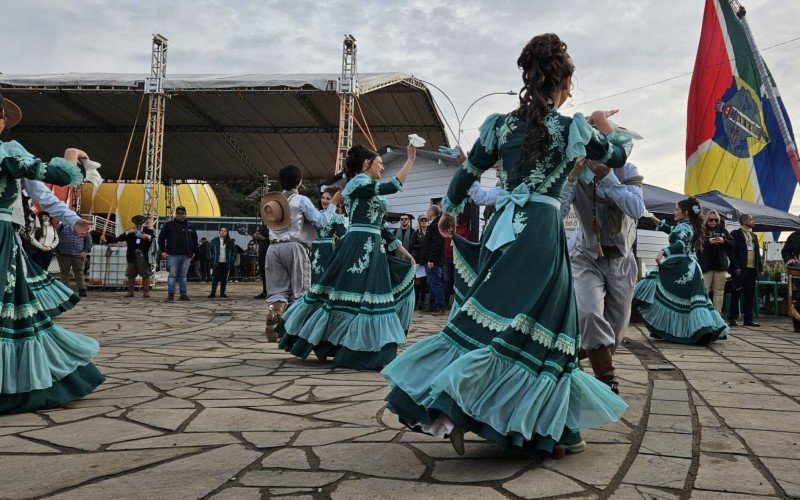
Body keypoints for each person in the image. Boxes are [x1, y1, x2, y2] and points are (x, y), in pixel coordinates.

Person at [382, 34, 628, 456]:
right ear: (564, 80)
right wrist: (602, 122)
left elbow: (466, 174)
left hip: (503, 230)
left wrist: (449, 213)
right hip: (541, 235)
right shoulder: (571, 129)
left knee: (492, 317)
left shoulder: (499, 125)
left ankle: (475, 411)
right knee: (544, 328)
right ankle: (486, 412)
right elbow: (617, 156)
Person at [0, 93, 105, 414]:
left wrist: (73, 219)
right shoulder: (7, 152)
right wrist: (71, 155)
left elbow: (42, 194)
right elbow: (59, 176)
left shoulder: (9, 156)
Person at [277, 144, 417, 369]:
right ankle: (351, 350)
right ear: (367, 163)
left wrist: (403, 250)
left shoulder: (369, 188)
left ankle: (360, 349)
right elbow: (393, 186)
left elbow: (381, 226)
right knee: (349, 295)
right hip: (358, 246)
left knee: (365, 297)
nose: (382, 168)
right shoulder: (356, 183)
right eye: (380, 164)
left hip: (374, 248)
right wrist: (409, 161)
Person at [559, 154, 643, 394]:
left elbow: (636, 209)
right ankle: (607, 382)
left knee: (614, 333)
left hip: (621, 260)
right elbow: (558, 212)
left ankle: (567, 357)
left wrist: (608, 178)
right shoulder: (574, 171)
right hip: (585, 256)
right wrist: (572, 177)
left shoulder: (626, 170)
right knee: (588, 313)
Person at [633, 198, 729, 344]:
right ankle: (693, 329)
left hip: (682, 266)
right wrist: (655, 219)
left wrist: (663, 251)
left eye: (677, 210)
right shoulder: (687, 225)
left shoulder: (684, 227)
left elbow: (680, 243)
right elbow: (673, 232)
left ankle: (678, 330)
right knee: (688, 301)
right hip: (690, 267)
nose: (674, 212)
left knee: (659, 288)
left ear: (685, 213)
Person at [262, 164, 341, 339]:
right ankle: (294, 330)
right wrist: (333, 204)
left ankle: (274, 316)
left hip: (273, 248)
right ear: (299, 182)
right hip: (295, 246)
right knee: (300, 291)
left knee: (277, 291)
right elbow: (321, 222)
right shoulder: (301, 200)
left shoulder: (272, 202)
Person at [158, 206, 199, 301]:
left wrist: (193, 252)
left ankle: (183, 294)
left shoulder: (190, 226)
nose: (180, 214)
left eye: (182, 213)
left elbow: (195, 240)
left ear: (185, 214)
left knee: (183, 275)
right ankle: (171, 294)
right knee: (172, 275)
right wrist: (163, 251)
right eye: (178, 213)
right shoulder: (169, 225)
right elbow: (161, 238)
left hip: (186, 255)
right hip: (173, 255)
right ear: (175, 214)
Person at [729, 214, 762, 327]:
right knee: (736, 293)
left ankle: (749, 319)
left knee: (750, 294)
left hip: (752, 269)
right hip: (740, 269)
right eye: (751, 219)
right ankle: (732, 318)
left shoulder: (754, 235)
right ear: (744, 221)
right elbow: (732, 252)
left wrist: (760, 268)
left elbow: (757, 253)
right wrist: (736, 266)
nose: (753, 221)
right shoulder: (735, 234)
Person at [698, 211, 734, 314]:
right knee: (704, 291)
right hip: (706, 265)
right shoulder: (701, 231)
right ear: (706, 220)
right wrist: (708, 241)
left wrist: (724, 241)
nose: (713, 222)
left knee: (719, 292)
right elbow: (695, 244)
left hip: (720, 265)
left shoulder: (723, 230)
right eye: (711, 219)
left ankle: (717, 315)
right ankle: (704, 315)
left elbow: (732, 243)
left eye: (716, 220)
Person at [310, 186, 348, 285]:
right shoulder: (316, 214)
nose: (324, 201)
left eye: (328, 198)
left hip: (328, 250)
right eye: (323, 198)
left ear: (334, 201)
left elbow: (343, 236)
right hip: (313, 249)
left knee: (326, 278)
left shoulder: (337, 217)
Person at [119, 215, 155, 298]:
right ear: (135, 224)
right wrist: (128, 232)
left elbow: (154, 239)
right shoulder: (130, 231)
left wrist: (147, 236)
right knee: (130, 274)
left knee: (145, 274)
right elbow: (119, 238)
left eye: (140, 224)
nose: (138, 225)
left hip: (143, 255)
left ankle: (146, 292)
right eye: (137, 224)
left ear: (142, 224)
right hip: (132, 255)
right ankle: (130, 292)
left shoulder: (148, 231)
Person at [420, 204, 446, 314]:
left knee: (435, 284)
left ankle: (439, 306)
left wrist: (431, 260)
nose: (427, 213)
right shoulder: (434, 225)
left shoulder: (436, 225)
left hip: (433, 261)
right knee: (431, 284)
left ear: (433, 213)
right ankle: (432, 305)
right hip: (430, 260)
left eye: (428, 211)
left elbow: (436, 244)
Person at [56, 220, 93, 297]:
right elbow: (55, 237)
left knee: (79, 272)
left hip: (79, 254)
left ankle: (82, 289)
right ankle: (64, 290)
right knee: (64, 273)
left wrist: (85, 252)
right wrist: (57, 251)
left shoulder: (83, 227)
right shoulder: (60, 226)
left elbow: (88, 240)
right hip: (63, 254)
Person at [207, 227, 236, 298]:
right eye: (221, 230)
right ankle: (212, 293)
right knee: (215, 278)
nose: (223, 232)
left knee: (224, 279)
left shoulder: (230, 242)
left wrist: (232, 260)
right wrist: (211, 258)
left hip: (226, 263)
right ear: (219, 232)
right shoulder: (214, 241)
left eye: (225, 231)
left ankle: (222, 293)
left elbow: (233, 252)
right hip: (217, 262)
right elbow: (209, 250)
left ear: (227, 232)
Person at [781, 229, 800, 332]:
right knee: (796, 297)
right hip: (797, 271)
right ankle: (798, 325)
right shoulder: (794, 236)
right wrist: (789, 259)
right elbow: (785, 251)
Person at [411, 214, 429, 310]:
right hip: (418, 260)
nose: (424, 222)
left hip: (426, 260)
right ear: (419, 222)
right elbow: (412, 245)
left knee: (424, 282)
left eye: (425, 220)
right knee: (417, 282)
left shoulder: (430, 232)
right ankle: (416, 301)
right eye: (422, 220)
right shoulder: (416, 233)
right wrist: (422, 245)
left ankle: (422, 302)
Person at [253, 224, 270, 299]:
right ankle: (265, 291)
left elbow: (276, 238)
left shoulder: (273, 225)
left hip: (269, 251)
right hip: (262, 251)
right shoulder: (261, 227)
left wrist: (263, 238)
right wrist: (256, 236)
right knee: (263, 272)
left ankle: (270, 291)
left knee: (270, 272)